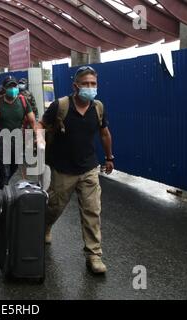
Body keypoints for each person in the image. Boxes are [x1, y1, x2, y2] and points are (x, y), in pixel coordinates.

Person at [38, 66, 114, 274]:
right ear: (76, 86)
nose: (90, 87)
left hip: (89, 168)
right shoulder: (60, 106)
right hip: (63, 169)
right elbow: (40, 124)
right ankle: (45, 225)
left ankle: (94, 255)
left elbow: (105, 133)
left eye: (93, 84)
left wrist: (109, 157)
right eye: (86, 84)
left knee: (92, 210)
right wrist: (38, 138)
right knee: (54, 206)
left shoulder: (97, 107)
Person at [0, 76, 39, 190]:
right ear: (4, 88)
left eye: (14, 86)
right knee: (4, 170)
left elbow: (33, 121)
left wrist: (38, 136)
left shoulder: (23, 101)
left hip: (16, 140)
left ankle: (1, 183)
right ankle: (2, 197)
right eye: (10, 86)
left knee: (14, 167)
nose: (13, 88)